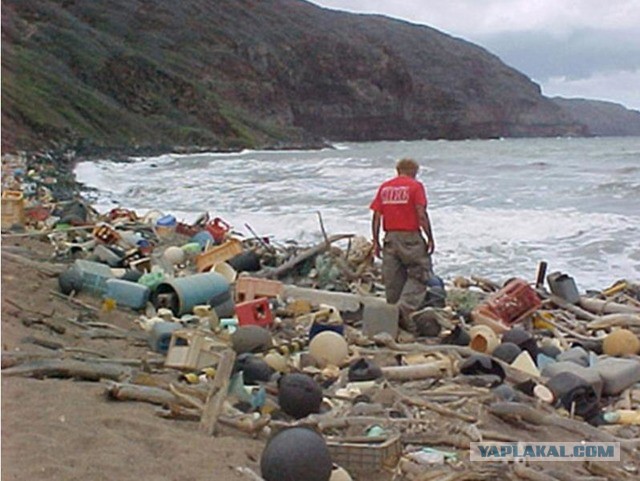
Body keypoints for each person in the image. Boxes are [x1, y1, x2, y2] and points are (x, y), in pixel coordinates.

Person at [370, 158, 435, 334]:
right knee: (420, 273)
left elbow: (376, 216)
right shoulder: (415, 187)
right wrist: (429, 237)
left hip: (390, 237)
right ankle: (403, 309)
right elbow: (421, 214)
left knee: (393, 280)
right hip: (410, 237)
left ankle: (393, 321)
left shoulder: (385, 188)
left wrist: (376, 241)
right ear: (413, 171)